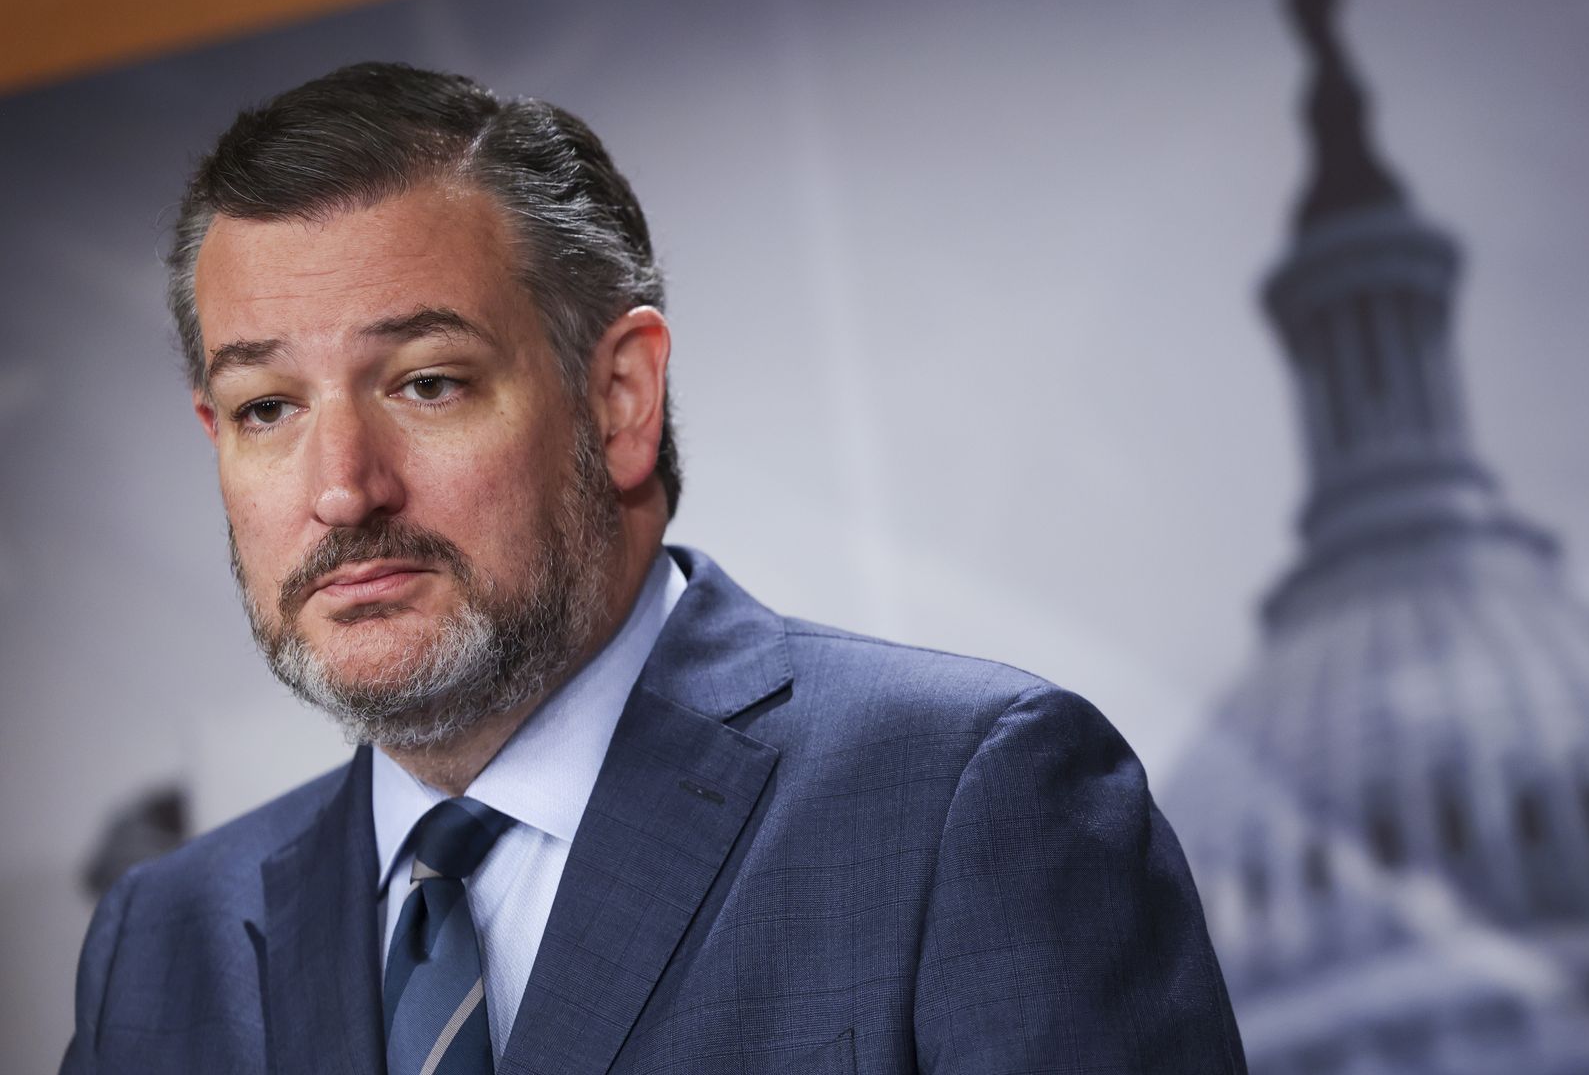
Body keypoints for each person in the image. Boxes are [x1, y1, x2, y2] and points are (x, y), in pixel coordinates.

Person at [60, 62, 1247, 1075]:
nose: (341, 487)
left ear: (620, 398)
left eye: (427, 382)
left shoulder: (967, 802)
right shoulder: (160, 944)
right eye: (267, 407)